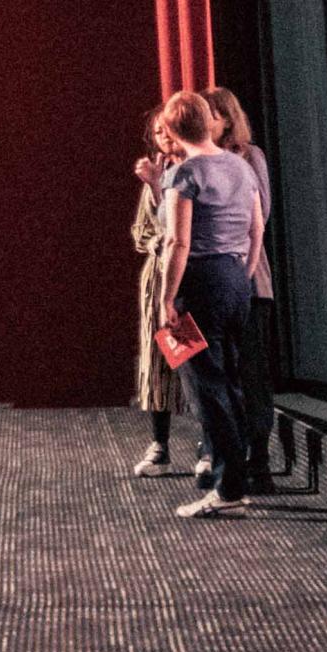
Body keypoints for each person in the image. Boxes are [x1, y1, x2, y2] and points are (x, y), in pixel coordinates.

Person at [155, 91, 271, 518]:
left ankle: (228, 488)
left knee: (207, 388)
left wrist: (167, 298)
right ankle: (234, 479)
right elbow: (257, 228)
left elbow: (177, 241)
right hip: (235, 281)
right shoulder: (239, 165)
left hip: (197, 283)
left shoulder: (185, 174)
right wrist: (243, 271)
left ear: (171, 130)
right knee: (230, 383)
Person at [127, 103, 191, 479]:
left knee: (189, 359)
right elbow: (142, 232)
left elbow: (177, 229)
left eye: (167, 131)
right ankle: (160, 445)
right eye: (156, 132)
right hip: (156, 282)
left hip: (183, 279)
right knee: (156, 361)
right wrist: (152, 184)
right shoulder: (160, 168)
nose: (161, 138)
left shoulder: (189, 171)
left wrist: (155, 184)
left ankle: (206, 444)